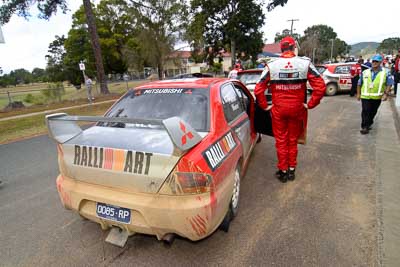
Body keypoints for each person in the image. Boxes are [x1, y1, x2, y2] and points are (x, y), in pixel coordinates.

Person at [255, 36, 326, 183]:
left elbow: (258, 90)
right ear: (294, 48)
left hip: (278, 109)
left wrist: (265, 106)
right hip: (297, 109)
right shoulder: (305, 63)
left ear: (281, 49)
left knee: (281, 141)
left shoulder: (271, 65)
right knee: (292, 140)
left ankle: (283, 171)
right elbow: (320, 86)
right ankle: (292, 170)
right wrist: (310, 104)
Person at [356, 54, 394, 134]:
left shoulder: (386, 72)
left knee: (373, 111)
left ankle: (369, 123)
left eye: (376, 61)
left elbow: (389, 84)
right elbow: (359, 83)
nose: (374, 63)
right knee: (365, 111)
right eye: (373, 61)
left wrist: (386, 94)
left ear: (380, 62)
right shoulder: (365, 72)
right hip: (365, 96)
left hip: (377, 97)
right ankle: (364, 127)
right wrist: (358, 94)